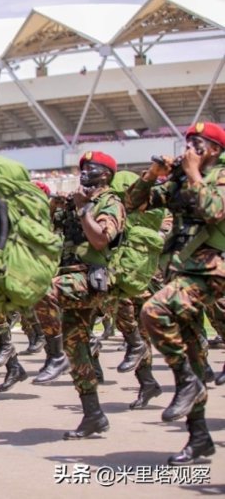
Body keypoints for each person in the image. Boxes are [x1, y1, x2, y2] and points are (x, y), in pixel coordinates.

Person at [126, 121, 225, 464]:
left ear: (214, 150)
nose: (190, 149)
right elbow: (133, 204)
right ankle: (199, 438)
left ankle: (185, 382)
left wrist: (194, 173)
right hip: (183, 271)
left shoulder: (221, 177)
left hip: (214, 268)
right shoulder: (180, 180)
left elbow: (215, 211)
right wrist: (153, 174)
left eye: (199, 144)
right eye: (188, 143)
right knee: (194, 350)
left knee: (154, 311)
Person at [34, 151, 125, 439]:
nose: (86, 173)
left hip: (93, 277)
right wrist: (60, 207)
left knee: (40, 291)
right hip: (72, 275)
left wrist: (85, 209)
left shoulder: (111, 202)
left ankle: (53, 352)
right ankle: (93, 415)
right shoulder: (79, 203)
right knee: (77, 348)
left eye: (93, 168)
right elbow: (50, 232)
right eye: (83, 168)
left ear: (106, 174)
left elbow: (100, 239)